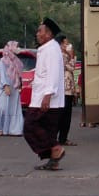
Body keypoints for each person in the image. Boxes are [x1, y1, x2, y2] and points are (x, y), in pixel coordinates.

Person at [25, 17, 67, 171]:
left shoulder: (51, 49)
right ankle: (53, 161)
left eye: (40, 31)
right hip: (43, 96)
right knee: (47, 129)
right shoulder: (47, 49)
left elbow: (53, 74)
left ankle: (56, 148)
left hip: (47, 99)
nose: (37, 34)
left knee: (30, 126)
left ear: (48, 34)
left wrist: (47, 95)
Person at [0, 41, 25, 136]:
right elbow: (2, 74)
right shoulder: (3, 61)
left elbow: (19, 74)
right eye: (15, 47)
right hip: (6, 87)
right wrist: (5, 85)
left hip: (14, 87)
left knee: (13, 108)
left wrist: (20, 83)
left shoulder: (16, 61)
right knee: (2, 108)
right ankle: (0, 128)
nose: (17, 49)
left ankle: (14, 129)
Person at [58, 34, 78, 146]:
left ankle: (63, 137)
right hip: (63, 88)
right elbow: (71, 67)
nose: (67, 45)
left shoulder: (65, 54)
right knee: (62, 114)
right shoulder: (60, 55)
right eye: (65, 43)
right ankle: (60, 138)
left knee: (67, 114)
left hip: (68, 88)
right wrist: (71, 56)